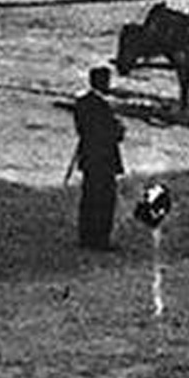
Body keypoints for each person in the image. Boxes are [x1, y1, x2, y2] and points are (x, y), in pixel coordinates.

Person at [69, 65, 125, 251]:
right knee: (104, 200)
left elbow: (83, 129)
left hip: (89, 156)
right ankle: (100, 239)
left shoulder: (83, 102)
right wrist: (118, 129)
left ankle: (86, 237)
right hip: (104, 157)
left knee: (89, 198)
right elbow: (109, 132)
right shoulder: (101, 105)